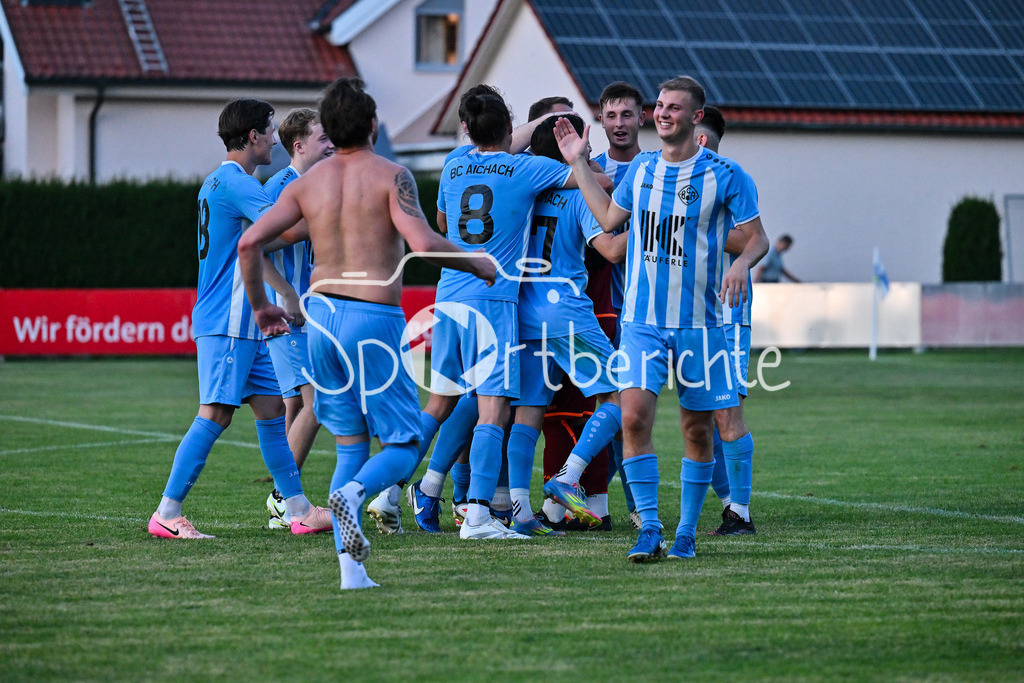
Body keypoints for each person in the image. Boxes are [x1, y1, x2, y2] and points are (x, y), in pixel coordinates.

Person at [237, 78, 495, 588]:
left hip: (320, 321)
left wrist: (262, 306)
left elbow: (250, 244)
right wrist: (477, 262)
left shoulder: (306, 184)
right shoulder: (391, 174)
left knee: (352, 446)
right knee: (400, 445)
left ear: (329, 130)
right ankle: (354, 496)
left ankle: (352, 574)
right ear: (373, 123)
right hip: (371, 319)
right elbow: (421, 239)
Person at [553, 75, 769, 562]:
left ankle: (687, 533)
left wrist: (739, 263)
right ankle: (649, 527)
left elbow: (758, 239)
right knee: (632, 417)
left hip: (701, 325)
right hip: (642, 322)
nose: (663, 113)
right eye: (661, 106)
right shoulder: (642, 170)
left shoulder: (727, 174)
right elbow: (609, 221)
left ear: (696, 118)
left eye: (675, 107)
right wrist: (579, 165)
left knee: (697, 429)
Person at [147, 98, 333, 541]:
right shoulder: (236, 183)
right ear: (252, 137)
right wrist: (345, 217)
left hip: (244, 321)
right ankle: (167, 512)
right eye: (269, 131)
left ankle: (298, 509)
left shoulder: (219, 181)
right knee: (214, 414)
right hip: (228, 319)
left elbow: (257, 241)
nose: (275, 138)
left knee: (271, 411)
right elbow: (283, 229)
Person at [414, 86, 582, 541]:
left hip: (449, 295)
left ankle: (398, 491)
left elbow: (444, 225)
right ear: (509, 127)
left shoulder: (453, 164)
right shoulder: (530, 168)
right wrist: (580, 157)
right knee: (495, 410)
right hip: (496, 301)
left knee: (441, 400)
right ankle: (478, 516)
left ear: (467, 127)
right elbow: (593, 185)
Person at [506, 113, 628, 536]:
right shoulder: (579, 192)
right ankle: (568, 475)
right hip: (564, 312)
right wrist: (654, 224)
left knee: (527, 413)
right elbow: (611, 250)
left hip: (520, 311)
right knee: (621, 396)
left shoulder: (519, 188)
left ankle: (520, 512)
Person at [540, 81, 649, 531]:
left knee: (634, 414)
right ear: (600, 121)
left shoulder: (658, 168)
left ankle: (602, 506)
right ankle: (574, 495)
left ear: (641, 118)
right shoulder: (583, 175)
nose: (619, 123)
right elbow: (609, 246)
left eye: (627, 114)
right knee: (607, 405)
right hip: (593, 307)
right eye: (611, 115)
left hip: (638, 312)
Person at [261, 108, 334, 530]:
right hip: (287, 316)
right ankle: (281, 497)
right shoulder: (281, 187)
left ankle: (288, 502)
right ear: (299, 145)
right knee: (318, 400)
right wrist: (286, 295)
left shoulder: (312, 185)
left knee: (296, 403)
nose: (330, 145)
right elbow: (255, 247)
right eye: (323, 139)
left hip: (307, 314)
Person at [696, 105, 757, 536]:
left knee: (725, 412)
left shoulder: (731, 176)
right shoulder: (676, 176)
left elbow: (752, 237)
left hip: (727, 313)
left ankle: (740, 511)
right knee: (700, 418)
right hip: (690, 315)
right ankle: (730, 505)